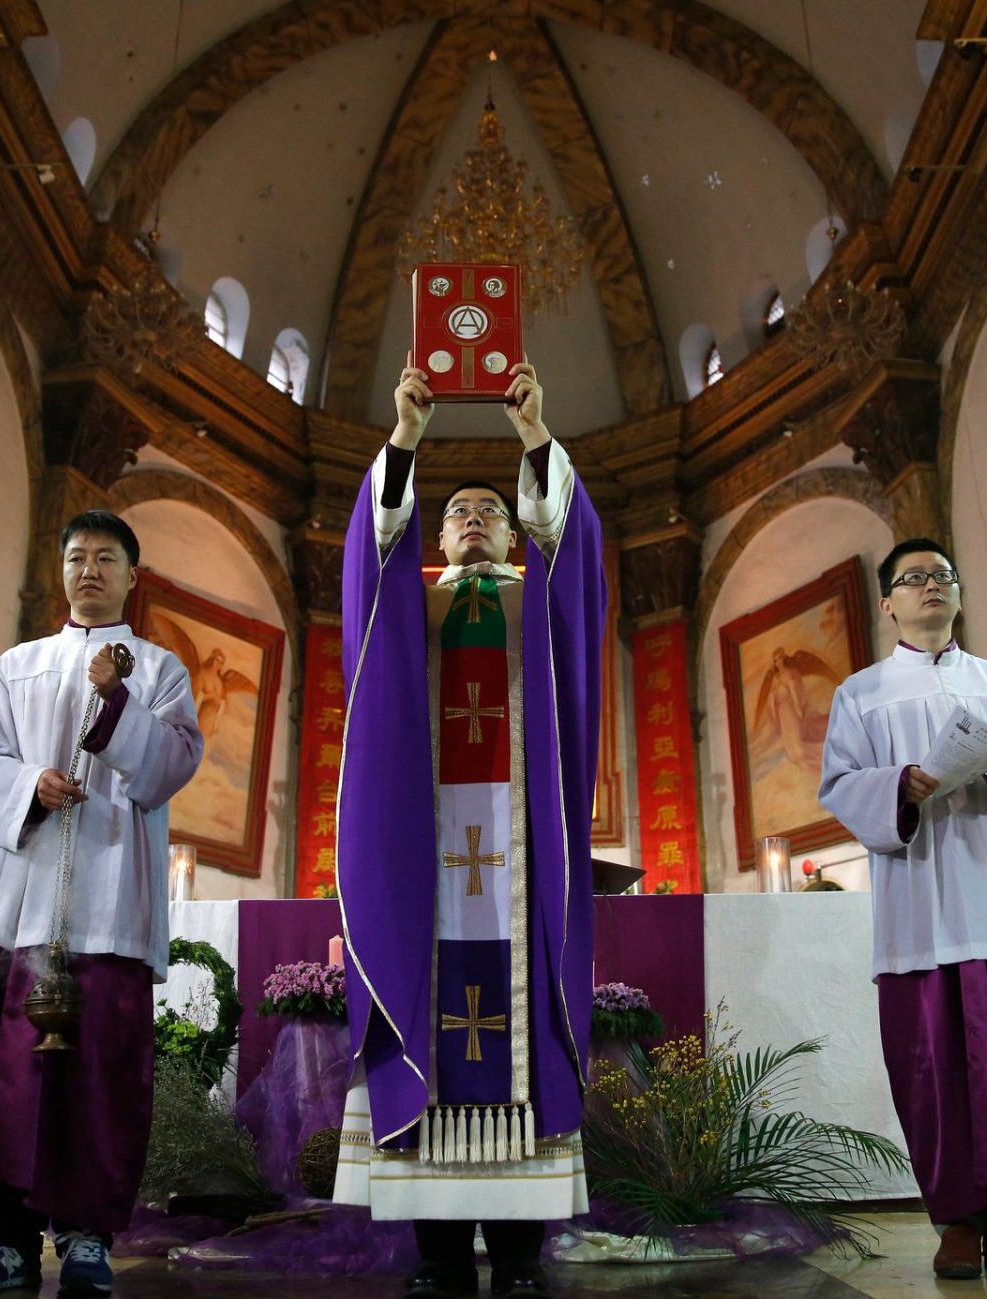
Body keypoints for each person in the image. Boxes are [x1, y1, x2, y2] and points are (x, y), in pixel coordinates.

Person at [332, 360, 604, 1299]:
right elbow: (371, 549)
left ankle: (521, 1255)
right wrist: (405, 437)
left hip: (518, 859)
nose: (476, 518)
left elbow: (577, 553)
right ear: (435, 534)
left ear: (518, 528)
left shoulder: (539, 600)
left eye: (492, 508)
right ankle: (441, 1256)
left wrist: (535, 436)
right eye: (458, 512)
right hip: (429, 857)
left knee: (521, 1019)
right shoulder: (408, 606)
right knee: (431, 1013)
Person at [0, 512, 203, 1298]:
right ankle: (7, 1240)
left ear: (132, 576)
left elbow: (171, 764)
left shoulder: (159, 669)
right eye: (77, 557)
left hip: (111, 902)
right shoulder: (14, 665)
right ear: (61, 571)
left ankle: (88, 1238)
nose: (89, 569)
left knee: (97, 1080)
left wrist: (116, 700)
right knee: (10, 1078)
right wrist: (30, 784)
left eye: (106, 558)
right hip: (21, 899)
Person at [817, 539, 987, 1282]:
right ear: (888, 602)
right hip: (921, 908)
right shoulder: (861, 693)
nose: (930, 585)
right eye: (913, 578)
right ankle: (957, 1222)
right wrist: (902, 783)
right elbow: (839, 785)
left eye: (942, 576)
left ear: (958, 593)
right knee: (935, 1071)